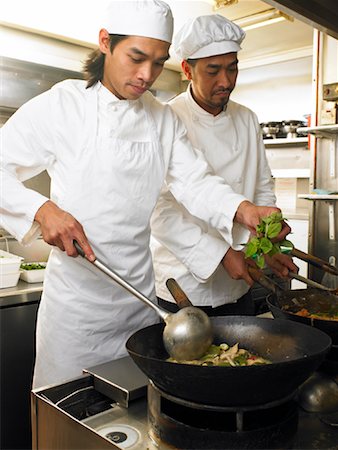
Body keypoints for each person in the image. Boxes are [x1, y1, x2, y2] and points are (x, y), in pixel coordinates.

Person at [0, 0, 290, 389]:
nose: (147, 75)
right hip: (76, 312)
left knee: (134, 422)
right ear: (105, 43)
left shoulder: (161, 118)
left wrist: (243, 209)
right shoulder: (63, 106)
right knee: (69, 417)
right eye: (137, 58)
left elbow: (195, 181)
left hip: (139, 305)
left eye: (158, 62)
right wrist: (42, 209)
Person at [151, 14, 297, 316]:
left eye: (233, 68)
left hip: (240, 282)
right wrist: (219, 254)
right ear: (187, 69)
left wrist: (267, 247)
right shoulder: (165, 119)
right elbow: (160, 212)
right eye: (213, 70)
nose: (226, 81)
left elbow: (262, 189)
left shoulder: (247, 118)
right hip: (183, 288)